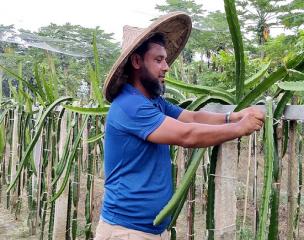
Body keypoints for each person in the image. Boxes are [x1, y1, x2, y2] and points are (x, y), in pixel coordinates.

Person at [95, 12, 265, 240]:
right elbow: (187, 135)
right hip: (125, 231)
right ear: (136, 62)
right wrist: (239, 128)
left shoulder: (153, 102)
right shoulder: (130, 105)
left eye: (165, 60)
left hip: (148, 230)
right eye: (158, 60)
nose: (166, 67)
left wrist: (233, 117)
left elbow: (192, 118)